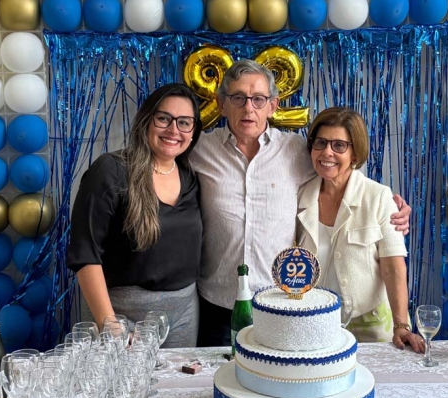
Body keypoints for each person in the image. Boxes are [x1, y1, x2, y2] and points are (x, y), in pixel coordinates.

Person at [190, 60, 411, 347]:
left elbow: (340, 168)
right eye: (238, 98)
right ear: (222, 104)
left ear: (273, 105)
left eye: (258, 99)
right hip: (217, 300)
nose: (248, 108)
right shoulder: (199, 150)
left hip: (280, 302)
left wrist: (390, 205)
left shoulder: (295, 151)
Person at [67, 83, 203, 348]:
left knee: (178, 378)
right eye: (164, 118)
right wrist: (111, 326)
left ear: (193, 131)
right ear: (146, 120)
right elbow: (85, 255)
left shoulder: (191, 177)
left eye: (184, 122)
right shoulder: (111, 170)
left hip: (185, 313)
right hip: (121, 314)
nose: (174, 130)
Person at [296, 107, 425, 352]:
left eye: (339, 145)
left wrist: (401, 325)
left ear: (355, 153)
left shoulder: (379, 197)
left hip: (370, 323)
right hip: (312, 323)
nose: (327, 152)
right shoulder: (300, 195)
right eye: (320, 142)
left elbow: (393, 267)